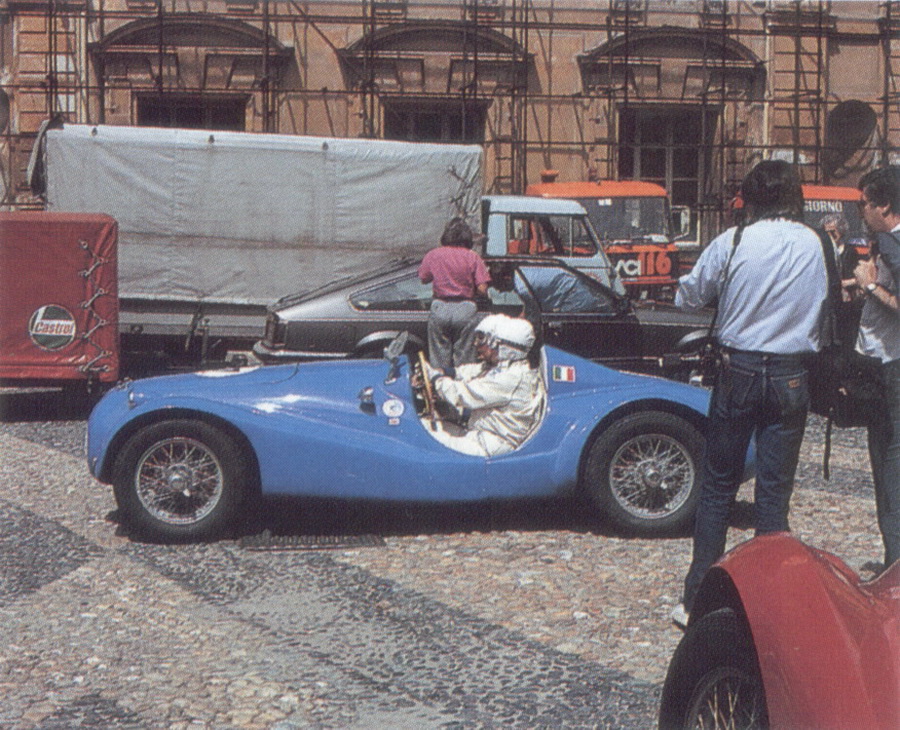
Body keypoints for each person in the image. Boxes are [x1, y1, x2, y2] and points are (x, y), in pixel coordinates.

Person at [671, 160, 829, 628]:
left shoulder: (734, 240)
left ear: (750, 197)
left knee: (719, 485)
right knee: (774, 495)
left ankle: (697, 598)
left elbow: (690, 297)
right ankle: (768, 604)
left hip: (737, 369)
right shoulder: (817, 242)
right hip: (790, 373)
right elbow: (825, 309)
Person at [852, 166, 900, 573]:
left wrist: (870, 287)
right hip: (886, 364)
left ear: (884, 205)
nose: (861, 211)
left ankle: (895, 560)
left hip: (891, 366)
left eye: (864, 203)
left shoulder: (890, 241)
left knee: (888, 460)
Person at [419, 314, 546, 458]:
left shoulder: (510, 378)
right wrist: (445, 372)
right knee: (423, 425)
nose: (475, 344)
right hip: (479, 435)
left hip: (489, 445)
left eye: (482, 339)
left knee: (421, 438)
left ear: (500, 345)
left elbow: (463, 394)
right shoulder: (504, 368)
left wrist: (435, 378)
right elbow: (471, 371)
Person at [418, 217, 491, 375]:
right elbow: (483, 289)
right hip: (465, 309)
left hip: (440, 307)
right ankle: (462, 389)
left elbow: (423, 278)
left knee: (439, 355)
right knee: (465, 358)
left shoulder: (434, 255)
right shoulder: (473, 257)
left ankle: (439, 388)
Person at [821, 212, 863, 344]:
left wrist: (842, 284)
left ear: (841, 231)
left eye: (833, 232)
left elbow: (858, 278)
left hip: (847, 304)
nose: (830, 236)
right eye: (826, 232)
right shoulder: (823, 252)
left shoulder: (850, 251)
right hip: (829, 303)